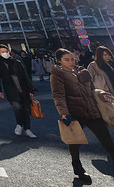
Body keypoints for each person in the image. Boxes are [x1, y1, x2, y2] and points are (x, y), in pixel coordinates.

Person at [51, 47, 114, 183]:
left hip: (93, 111)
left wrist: (101, 93)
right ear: (59, 61)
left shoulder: (83, 71)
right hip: (75, 113)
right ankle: (77, 167)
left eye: (73, 58)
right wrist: (64, 113)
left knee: (107, 141)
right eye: (67, 60)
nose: (71, 61)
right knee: (75, 143)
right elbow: (58, 95)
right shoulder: (57, 75)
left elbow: (92, 89)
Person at [0, 44, 37, 138]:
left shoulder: (16, 62)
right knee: (17, 107)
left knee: (25, 108)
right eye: (2, 52)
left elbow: (25, 76)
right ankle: (19, 124)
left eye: (6, 51)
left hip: (23, 88)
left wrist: (30, 89)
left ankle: (27, 129)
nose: (5, 53)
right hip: (10, 89)